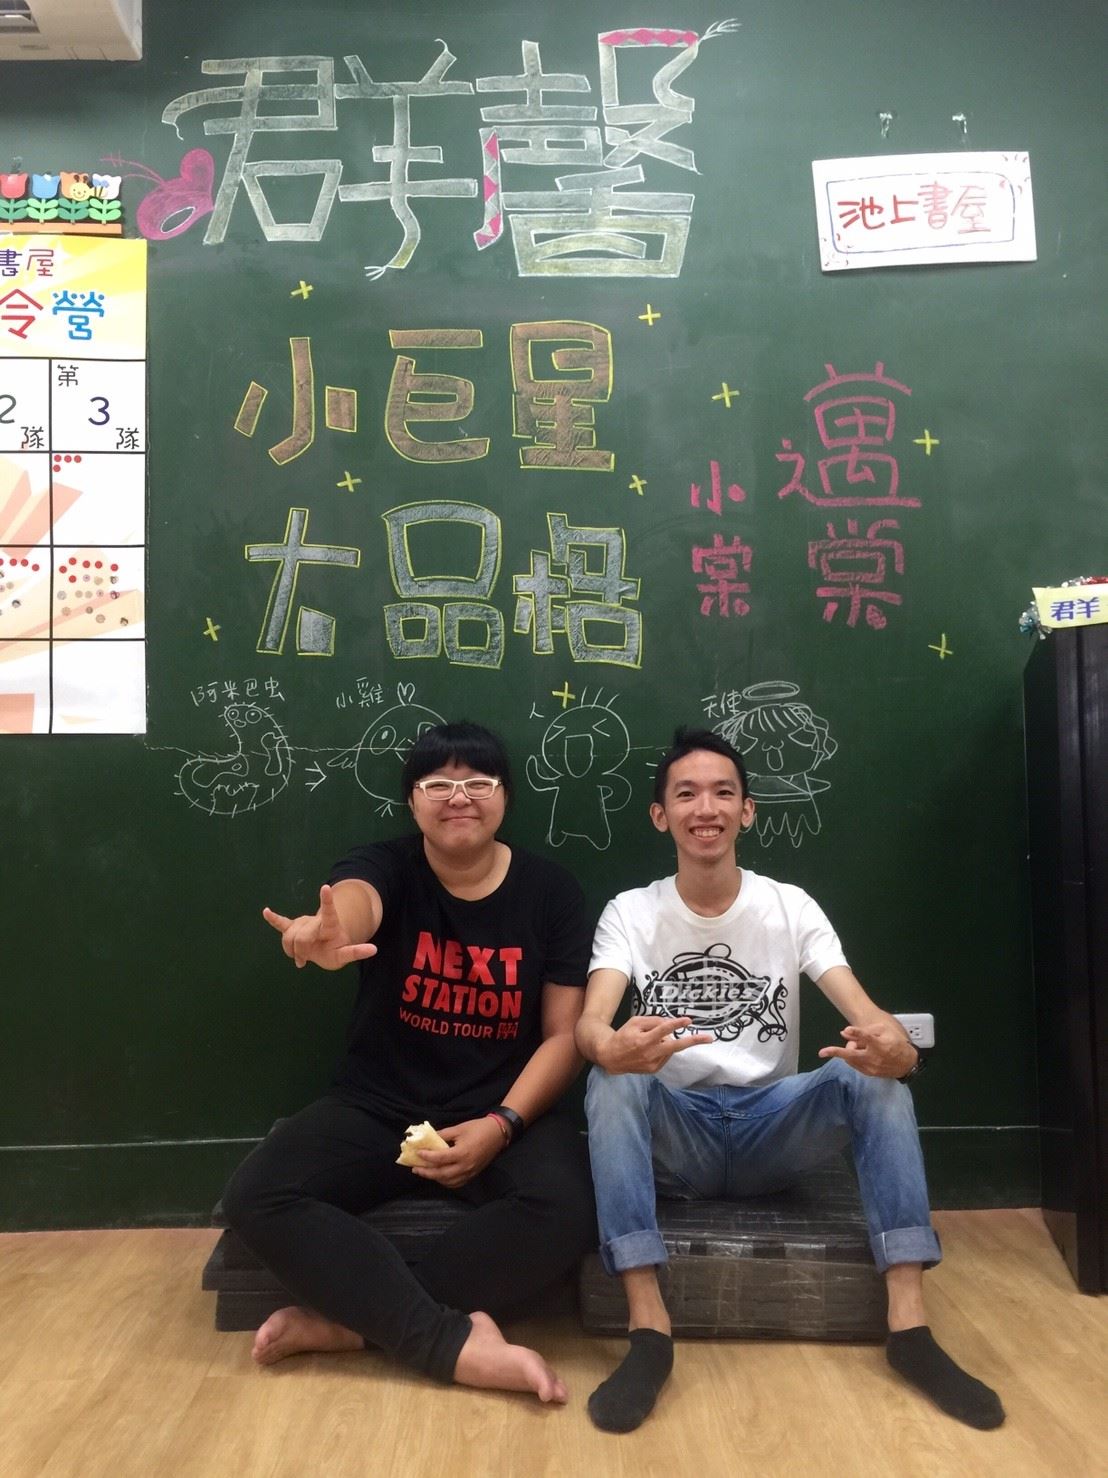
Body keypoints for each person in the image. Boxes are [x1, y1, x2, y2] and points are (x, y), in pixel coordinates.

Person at [575, 726, 1005, 1434]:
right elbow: (590, 1026)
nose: (705, 808)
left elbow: (868, 1016)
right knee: (610, 1080)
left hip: (771, 1128)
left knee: (872, 1081)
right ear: (660, 814)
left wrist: (898, 1055)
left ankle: (910, 1330)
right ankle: (649, 1331)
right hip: (678, 1134)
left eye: (723, 793)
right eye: (686, 794)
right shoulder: (630, 911)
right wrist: (611, 1046)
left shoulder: (790, 905)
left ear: (746, 810)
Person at [221, 721, 596, 1403]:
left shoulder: (552, 892)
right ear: (412, 800)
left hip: (500, 1107)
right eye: (437, 784)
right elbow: (354, 905)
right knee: (257, 1194)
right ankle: (444, 1342)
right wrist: (330, 932)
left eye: (478, 782)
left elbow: (563, 1037)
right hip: (379, 1105)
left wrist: (503, 1124)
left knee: (568, 1207)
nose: (459, 797)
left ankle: (355, 1326)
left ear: (505, 797)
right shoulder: (385, 866)